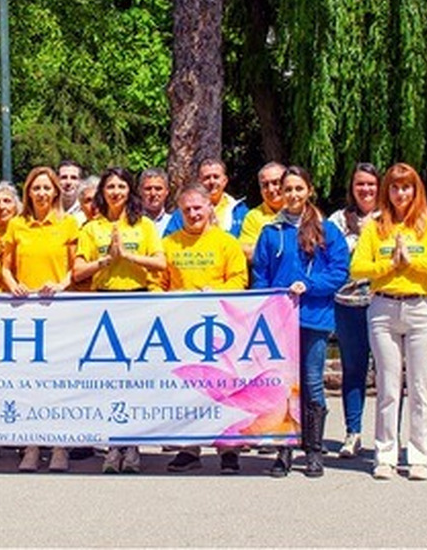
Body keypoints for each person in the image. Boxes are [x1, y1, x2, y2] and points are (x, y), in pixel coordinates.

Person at [350, 162, 427, 481]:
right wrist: (388, 265)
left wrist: (414, 261)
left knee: (421, 386)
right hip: (383, 308)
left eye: (406, 187)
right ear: (388, 191)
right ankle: (385, 454)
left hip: (421, 309)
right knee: (387, 386)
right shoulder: (375, 226)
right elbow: (357, 268)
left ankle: (419, 456)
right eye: (395, 187)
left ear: (415, 190)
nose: (400, 193)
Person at [252, 167, 349, 478]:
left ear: (309, 190)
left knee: (311, 383)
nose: (293, 195)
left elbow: (338, 271)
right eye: (287, 189)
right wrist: (268, 303)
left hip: (314, 317)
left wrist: (310, 284)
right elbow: (260, 277)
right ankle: (283, 450)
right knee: (281, 387)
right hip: (280, 322)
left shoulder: (326, 230)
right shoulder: (270, 232)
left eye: (298, 188)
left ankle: (314, 450)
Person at [74, 167, 166, 473]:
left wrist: (128, 256)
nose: (116, 192)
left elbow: (161, 262)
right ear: (103, 192)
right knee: (110, 376)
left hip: (136, 299)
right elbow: (77, 271)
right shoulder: (91, 228)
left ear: (130, 191)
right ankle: (113, 445)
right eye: (110, 187)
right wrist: (106, 260)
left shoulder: (144, 226)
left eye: (121, 186)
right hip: (103, 301)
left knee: (134, 376)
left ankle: (133, 446)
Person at [160, 184, 248, 474]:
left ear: (210, 208)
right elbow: (157, 282)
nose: (193, 213)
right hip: (181, 328)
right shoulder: (170, 244)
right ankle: (189, 448)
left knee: (223, 388)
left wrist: (216, 290)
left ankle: (229, 450)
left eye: (198, 208)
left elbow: (239, 280)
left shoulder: (226, 243)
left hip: (221, 327)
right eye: (187, 210)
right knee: (187, 389)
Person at [2, 166, 79, 472]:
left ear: (56, 192)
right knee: (29, 381)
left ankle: (60, 447)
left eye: (47, 188)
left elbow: (77, 267)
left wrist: (62, 285)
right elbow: (5, 267)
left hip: (59, 311)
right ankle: (31, 445)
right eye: (37, 188)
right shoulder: (16, 225)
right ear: (28, 192)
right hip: (25, 311)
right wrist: (12, 285)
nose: (42, 193)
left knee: (59, 379)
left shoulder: (68, 224)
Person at [327, 162, 381, 459]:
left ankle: (388, 435)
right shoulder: (338, 220)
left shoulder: (389, 218)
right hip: (348, 304)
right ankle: (353, 431)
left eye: (371, 184)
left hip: (383, 302)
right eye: (360, 184)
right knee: (353, 370)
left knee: (387, 373)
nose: (366, 189)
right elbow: (332, 257)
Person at [164, 158, 248, 238]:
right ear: (199, 181)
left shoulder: (239, 211)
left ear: (225, 181)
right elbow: (170, 242)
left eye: (216, 177)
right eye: (207, 178)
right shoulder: (185, 212)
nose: (212, 181)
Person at [238, 161, 286, 259]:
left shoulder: (302, 212)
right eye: (265, 185)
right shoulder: (253, 216)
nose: (271, 189)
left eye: (275, 183)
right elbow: (247, 253)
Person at [139, 168, 173, 236]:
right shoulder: (131, 222)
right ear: (140, 191)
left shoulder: (174, 223)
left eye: (158, 189)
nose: (153, 193)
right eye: (148, 189)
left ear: (167, 191)